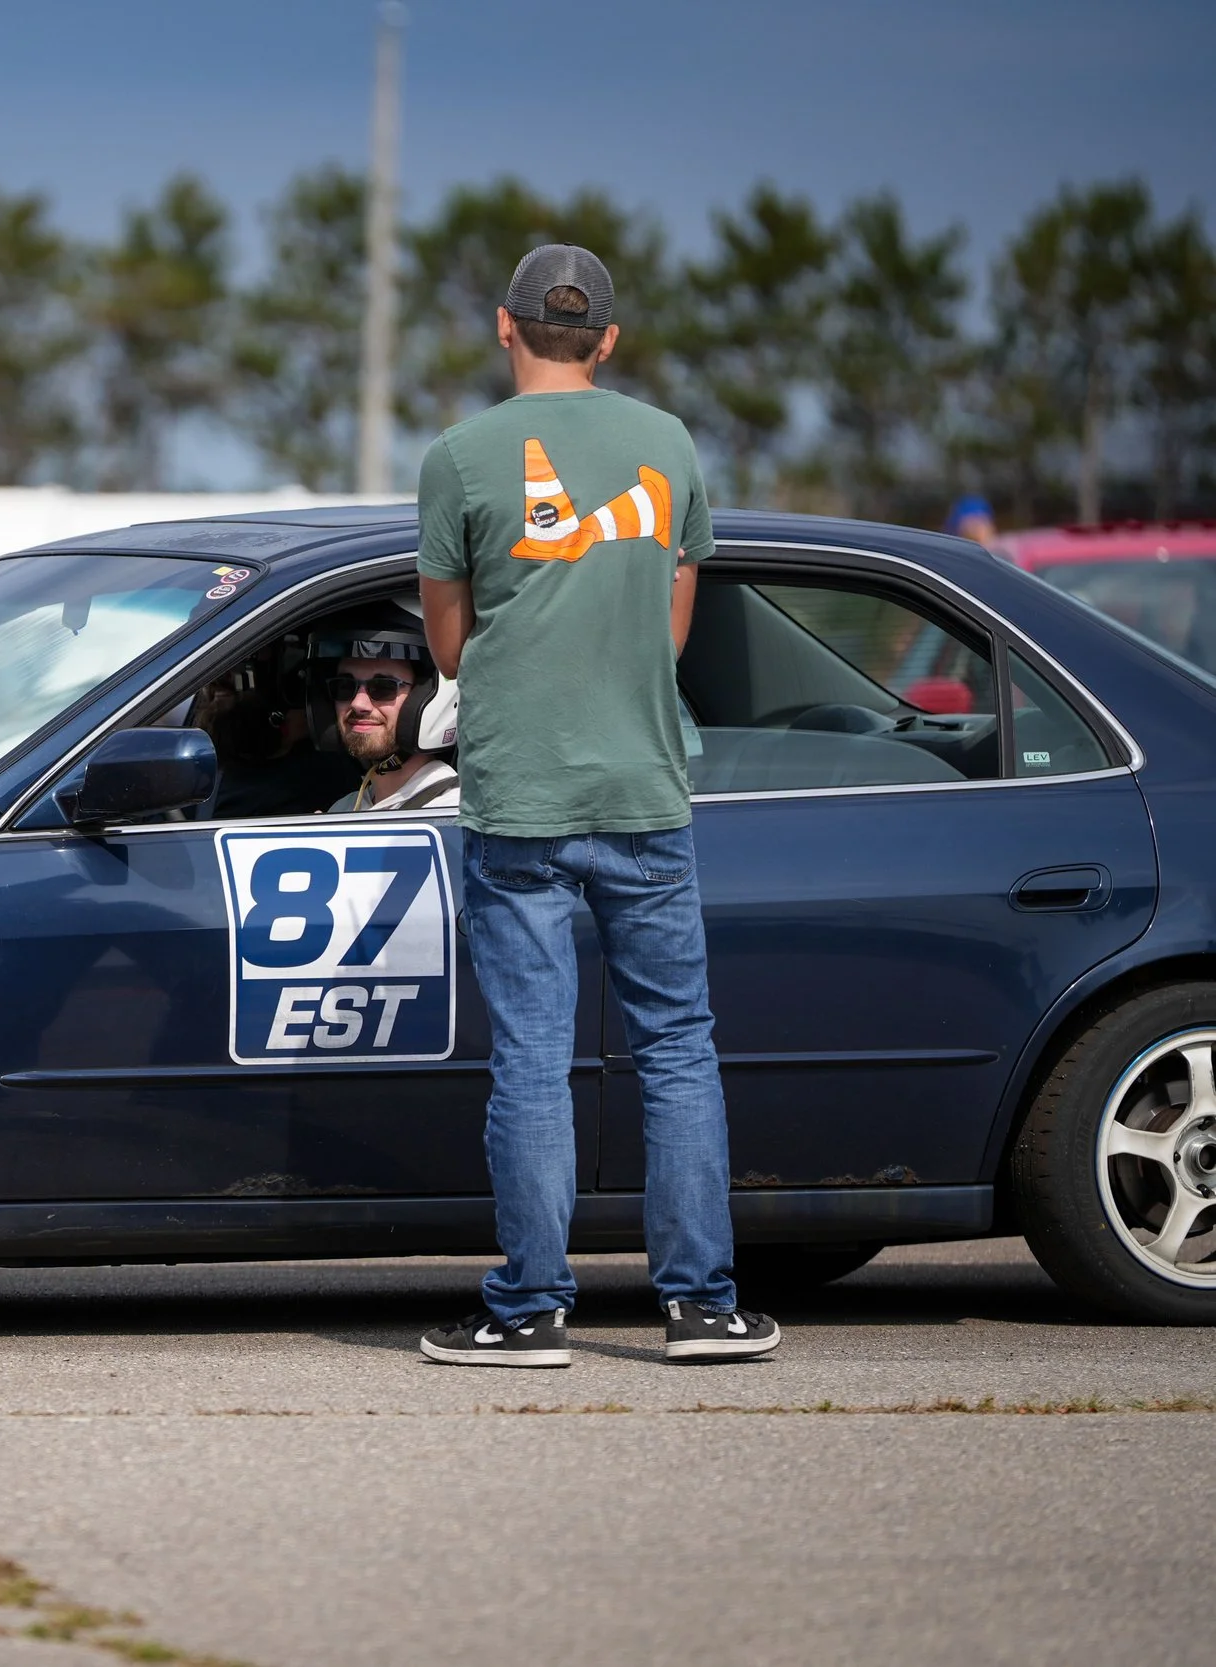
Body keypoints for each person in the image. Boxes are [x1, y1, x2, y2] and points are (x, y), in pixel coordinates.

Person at [413, 245, 778, 1368]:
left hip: (518, 794)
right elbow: (677, 603)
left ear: (503, 326)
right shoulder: (666, 445)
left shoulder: (459, 456)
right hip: (643, 788)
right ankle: (702, 1308)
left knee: (531, 1054)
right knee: (675, 1047)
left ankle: (527, 1309)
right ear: (608, 339)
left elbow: (446, 642)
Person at [315, 610, 459, 814]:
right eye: (345, 686)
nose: (358, 703)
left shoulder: (453, 814)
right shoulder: (342, 810)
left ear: (426, 699)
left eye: (383, 687)